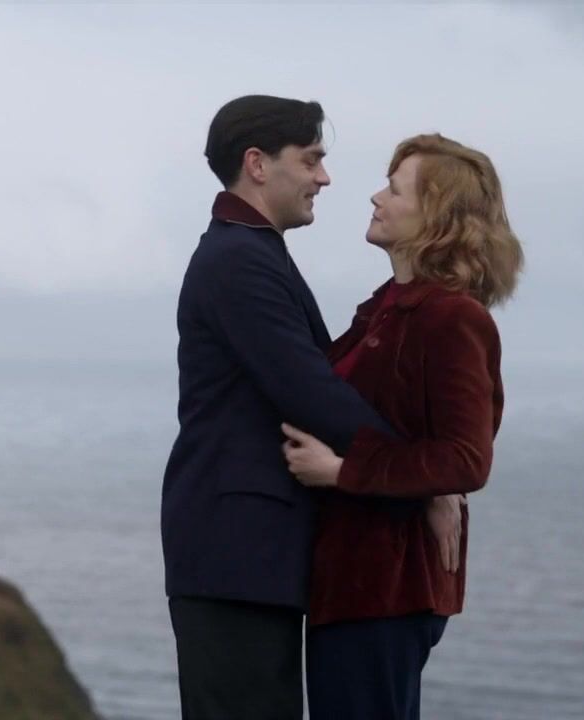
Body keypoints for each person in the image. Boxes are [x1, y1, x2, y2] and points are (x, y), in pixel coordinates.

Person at [161, 96, 459, 720]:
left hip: (246, 556)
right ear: (257, 164)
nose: (324, 177)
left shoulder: (252, 251)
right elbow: (310, 391)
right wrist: (421, 481)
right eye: (311, 159)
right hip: (235, 555)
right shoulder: (238, 261)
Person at [282, 133, 525, 720]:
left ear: (435, 216)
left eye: (394, 189)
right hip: (353, 580)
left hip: (389, 585)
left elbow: (465, 459)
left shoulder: (451, 318)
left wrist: (343, 471)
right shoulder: (389, 307)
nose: (375, 197)